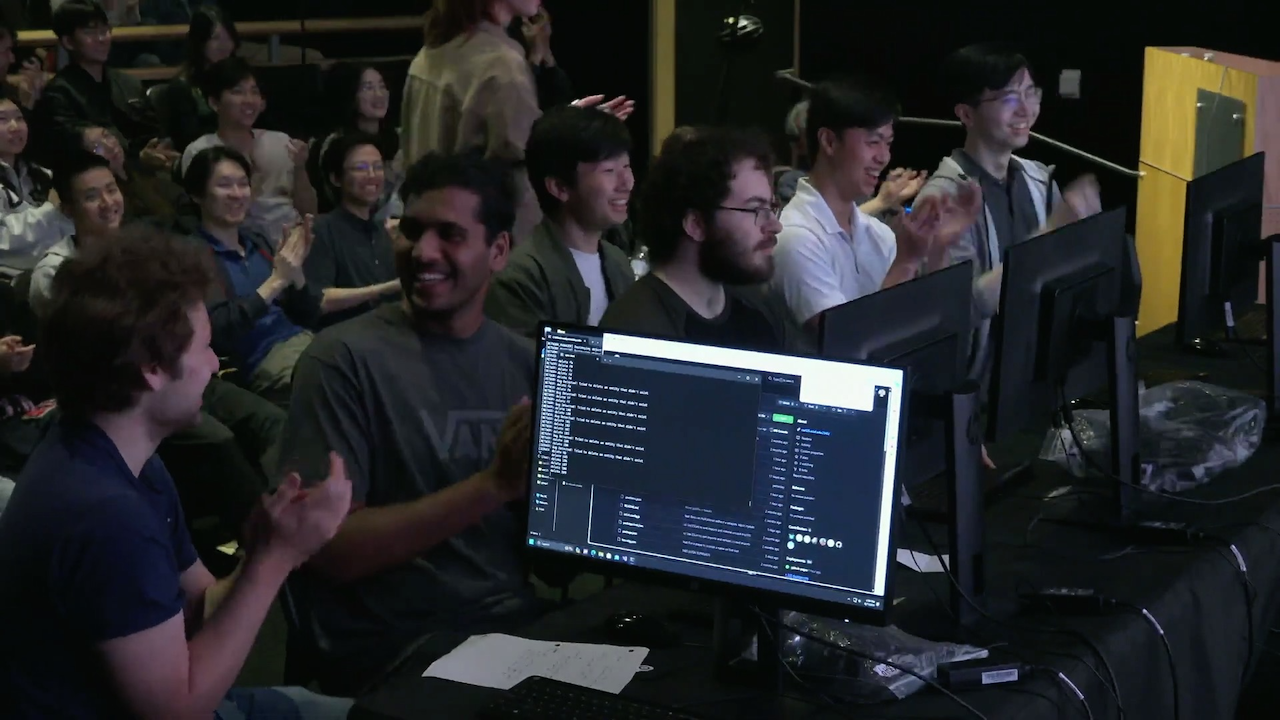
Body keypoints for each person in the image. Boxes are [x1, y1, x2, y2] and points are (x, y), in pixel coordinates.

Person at [0, 225, 354, 719]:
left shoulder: (126, 458)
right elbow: (178, 711)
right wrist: (278, 557)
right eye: (205, 347)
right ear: (150, 366)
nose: (214, 365)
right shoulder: (101, 513)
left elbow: (198, 609)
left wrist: (261, 550)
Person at [279, 151, 539, 697]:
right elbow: (329, 550)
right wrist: (493, 486)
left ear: (498, 251)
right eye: (412, 231)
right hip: (394, 646)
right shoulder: (342, 360)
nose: (422, 252)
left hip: (516, 627)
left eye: (449, 235)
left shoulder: (524, 362)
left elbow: (549, 558)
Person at [30, 150, 288, 541]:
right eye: (91, 196)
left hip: (180, 369)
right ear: (67, 208)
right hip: (126, 393)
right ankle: (267, 543)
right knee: (220, 442)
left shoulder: (144, 248)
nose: (107, 202)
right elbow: (103, 356)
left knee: (272, 422)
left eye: (111, 190)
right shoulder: (57, 271)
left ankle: (294, 518)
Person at [401, 0, 632, 244]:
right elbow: (521, 175)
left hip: (436, 244)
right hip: (488, 251)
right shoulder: (500, 64)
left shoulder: (428, 57)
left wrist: (570, 125)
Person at [771, 76, 981, 330]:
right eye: (873, 142)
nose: (884, 157)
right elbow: (846, 343)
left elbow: (928, 325)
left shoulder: (877, 232)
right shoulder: (796, 238)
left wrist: (939, 247)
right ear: (828, 141)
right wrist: (905, 262)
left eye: (888, 143)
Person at [916, 45, 1101, 326]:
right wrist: (1052, 233)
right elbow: (966, 308)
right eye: (1009, 99)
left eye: (1030, 93)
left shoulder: (1037, 178)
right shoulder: (942, 198)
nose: (1026, 109)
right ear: (966, 114)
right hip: (982, 367)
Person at [599, 126, 806, 353]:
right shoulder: (634, 333)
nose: (775, 225)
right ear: (696, 224)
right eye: (755, 209)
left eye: (771, 208)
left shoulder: (761, 308)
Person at [183, 145, 321, 408]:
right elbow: (219, 330)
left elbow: (309, 314)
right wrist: (277, 281)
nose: (237, 194)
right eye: (225, 185)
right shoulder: (194, 253)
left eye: (243, 184)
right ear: (197, 194)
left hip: (305, 341)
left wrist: (296, 273)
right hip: (261, 361)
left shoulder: (257, 242)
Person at [485, 104, 635, 336]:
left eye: (626, 166)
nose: (626, 182)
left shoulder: (618, 263)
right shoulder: (521, 279)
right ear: (559, 187)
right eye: (609, 171)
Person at [181, 57, 318, 249]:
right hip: (242, 247)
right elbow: (212, 218)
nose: (249, 100)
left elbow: (310, 211)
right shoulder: (201, 151)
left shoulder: (281, 142)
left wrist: (300, 168)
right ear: (214, 103)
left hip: (298, 242)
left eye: (254, 92)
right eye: (237, 92)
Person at [31, 1, 178, 174]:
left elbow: (152, 132)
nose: (102, 38)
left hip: (147, 172)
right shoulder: (58, 93)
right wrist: (137, 159)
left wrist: (157, 150)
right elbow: (74, 150)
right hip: (96, 178)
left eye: (105, 30)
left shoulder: (127, 82)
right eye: (90, 32)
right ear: (68, 42)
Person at [305, 132, 401, 328]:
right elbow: (319, 300)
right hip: (345, 339)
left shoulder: (386, 230)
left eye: (378, 167)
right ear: (336, 178)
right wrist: (389, 288)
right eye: (361, 168)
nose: (372, 175)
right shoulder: (321, 229)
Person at [308, 63, 403, 222]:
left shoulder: (399, 138)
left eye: (382, 86)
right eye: (367, 88)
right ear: (349, 94)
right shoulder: (334, 144)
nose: (379, 94)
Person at [0, 88, 73, 267]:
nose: (14, 127)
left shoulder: (41, 174)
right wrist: (50, 210)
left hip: (55, 262)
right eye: (2, 120)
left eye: (19, 118)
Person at [160, 5, 240, 153]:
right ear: (200, 41)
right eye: (215, 38)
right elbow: (188, 139)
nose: (224, 45)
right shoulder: (182, 87)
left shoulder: (240, 78)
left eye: (228, 37)